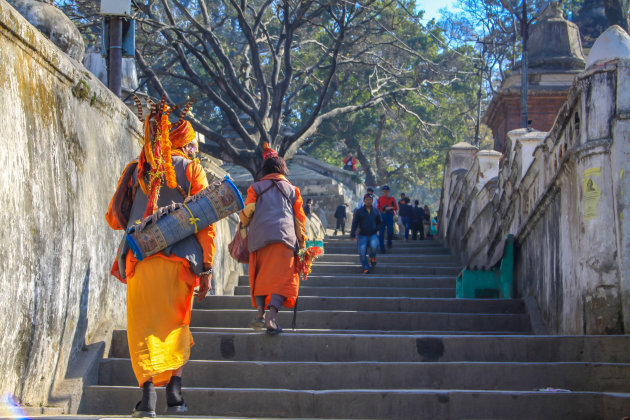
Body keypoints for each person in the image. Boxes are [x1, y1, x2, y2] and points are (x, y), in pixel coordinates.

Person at [105, 103, 215, 417]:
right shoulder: (192, 169)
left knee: (142, 327)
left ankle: (147, 397)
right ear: (185, 143)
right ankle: (175, 395)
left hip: (140, 259)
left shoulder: (134, 169)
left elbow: (115, 218)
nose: (194, 149)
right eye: (193, 143)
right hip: (180, 262)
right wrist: (207, 267)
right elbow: (206, 222)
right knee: (174, 326)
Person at [239, 143, 307, 335]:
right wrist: (302, 242)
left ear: (266, 169)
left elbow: (247, 212)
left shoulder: (255, 187)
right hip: (285, 239)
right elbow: (300, 219)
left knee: (260, 276)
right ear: (282, 169)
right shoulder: (293, 190)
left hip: (259, 239)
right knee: (282, 279)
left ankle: (260, 313)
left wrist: (243, 223)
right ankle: (272, 318)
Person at [350, 194, 382, 274]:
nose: (368, 201)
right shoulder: (359, 211)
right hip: (362, 235)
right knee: (362, 252)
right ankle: (366, 267)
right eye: (367, 199)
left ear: (372, 201)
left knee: (374, 247)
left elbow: (380, 222)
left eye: (370, 200)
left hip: (373, 234)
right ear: (364, 201)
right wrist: (352, 234)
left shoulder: (376, 211)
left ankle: (372, 257)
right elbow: (355, 223)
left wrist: (377, 228)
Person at [377, 185, 398, 252]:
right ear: (382, 191)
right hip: (382, 215)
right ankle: (382, 248)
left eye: (386, 191)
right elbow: (378, 208)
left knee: (390, 231)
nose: (385, 192)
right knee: (381, 233)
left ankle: (389, 242)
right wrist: (383, 209)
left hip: (390, 215)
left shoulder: (392, 198)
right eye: (384, 191)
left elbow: (396, 208)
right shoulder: (380, 198)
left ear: (389, 192)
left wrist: (391, 208)